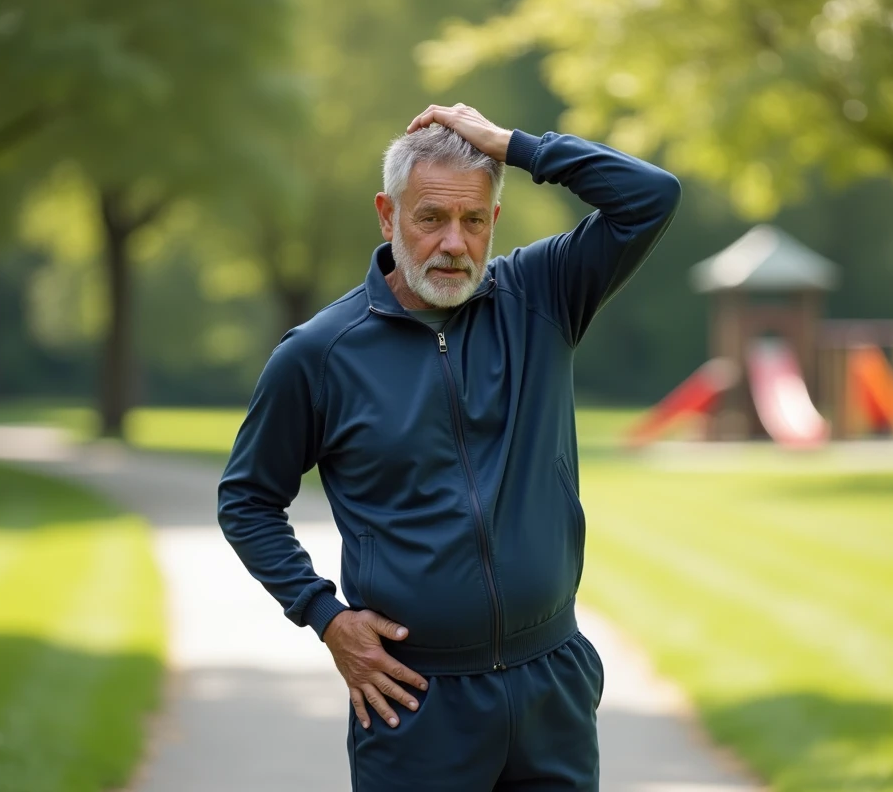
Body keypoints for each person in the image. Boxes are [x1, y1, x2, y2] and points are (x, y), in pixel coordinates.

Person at [218, 104, 681, 790]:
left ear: (494, 222)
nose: (453, 244)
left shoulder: (543, 294)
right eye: (430, 218)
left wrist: (514, 146)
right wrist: (325, 616)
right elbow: (248, 500)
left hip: (550, 684)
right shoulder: (319, 354)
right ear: (388, 215)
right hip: (413, 698)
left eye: (472, 221)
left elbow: (651, 196)